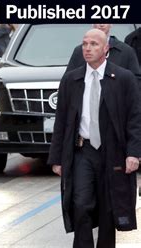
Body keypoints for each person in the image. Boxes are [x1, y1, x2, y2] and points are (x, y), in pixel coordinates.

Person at [48, 29, 141, 248]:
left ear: (106, 49)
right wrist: (57, 158)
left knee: (109, 209)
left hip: (113, 152)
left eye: (93, 44)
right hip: (83, 151)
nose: (87, 48)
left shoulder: (123, 78)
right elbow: (61, 119)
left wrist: (134, 153)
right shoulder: (72, 79)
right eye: (84, 44)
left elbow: (135, 118)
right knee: (80, 204)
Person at [66, 24, 140, 75]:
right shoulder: (80, 51)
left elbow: (136, 82)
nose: (101, 24)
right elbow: (68, 81)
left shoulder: (126, 51)